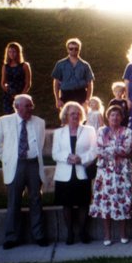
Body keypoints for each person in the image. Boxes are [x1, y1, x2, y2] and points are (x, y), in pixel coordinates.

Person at [0, 94, 47, 249]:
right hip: (16, 166)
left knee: (36, 199)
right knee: (14, 201)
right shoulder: (4, 121)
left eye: (31, 105)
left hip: (33, 165)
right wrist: (8, 159)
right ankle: (11, 237)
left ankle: (39, 236)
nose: (30, 108)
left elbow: (40, 144)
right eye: (27, 106)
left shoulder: (40, 122)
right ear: (17, 107)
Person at [89, 104, 132, 246]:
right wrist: (116, 149)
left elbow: (127, 149)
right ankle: (107, 235)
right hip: (105, 174)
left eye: (118, 115)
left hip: (122, 173)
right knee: (105, 202)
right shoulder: (101, 131)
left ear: (122, 117)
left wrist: (108, 148)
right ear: (107, 117)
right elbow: (98, 149)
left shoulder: (127, 131)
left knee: (123, 201)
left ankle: (123, 234)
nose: (115, 117)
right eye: (112, 115)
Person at [52, 102, 97, 244]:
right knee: (67, 204)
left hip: (82, 172)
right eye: (72, 113)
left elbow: (94, 150)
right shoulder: (58, 132)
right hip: (64, 174)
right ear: (66, 115)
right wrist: (67, 157)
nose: (75, 116)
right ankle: (70, 233)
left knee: (83, 203)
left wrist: (81, 158)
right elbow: (55, 153)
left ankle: (82, 232)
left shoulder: (89, 130)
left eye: (78, 113)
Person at [52, 38, 94, 110]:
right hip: (66, 95)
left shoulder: (85, 65)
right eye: (71, 49)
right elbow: (56, 83)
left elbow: (90, 84)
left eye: (76, 49)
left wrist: (87, 100)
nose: (73, 50)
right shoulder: (60, 64)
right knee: (66, 116)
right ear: (67, 50)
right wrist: (57, 99)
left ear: (79, 49)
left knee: (82, 116)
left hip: (81, 95)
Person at [1, 42, 31, 114]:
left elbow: (28, 83)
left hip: (21, 93)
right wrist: (8, 90)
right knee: (9, 116)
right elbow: (3, 83)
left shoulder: (24, 65)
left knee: (21, 115)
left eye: (14, 51)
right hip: (8, 95)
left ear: (18, 52)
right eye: (9, 52)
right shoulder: (5, 66)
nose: (12, 54)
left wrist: (21, 96)